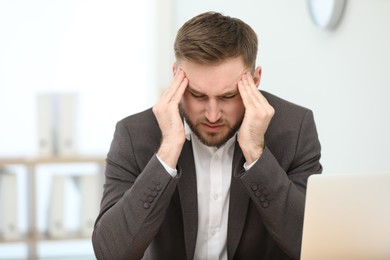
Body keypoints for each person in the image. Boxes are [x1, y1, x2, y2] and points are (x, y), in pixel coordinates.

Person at [92, 11, 322, 260]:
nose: (212, 115)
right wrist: (167, 151)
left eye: (228, 96)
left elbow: (310, 246)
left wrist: (256, 154)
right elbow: (111, 253)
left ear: (255, 81)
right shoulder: (134, 134)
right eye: (198, 95)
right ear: (176, 78)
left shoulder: (294, 129)